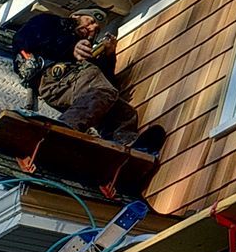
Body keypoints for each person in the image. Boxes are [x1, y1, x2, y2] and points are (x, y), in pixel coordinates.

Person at [12, 10, 163, 153]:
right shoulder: (50, 22)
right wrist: (70, 47)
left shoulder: (85, 53)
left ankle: (125, 142)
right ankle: (63, 131)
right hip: (54, 78)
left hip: (74, 81)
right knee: (101, 89)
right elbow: (24, 39)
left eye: (95, 29)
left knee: (123, 111)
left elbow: (108, 86)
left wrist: (108, 56)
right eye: (89, 21)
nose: (91, 28)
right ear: (76, 15)